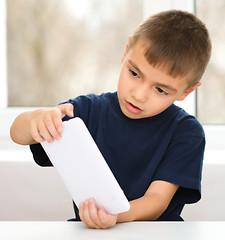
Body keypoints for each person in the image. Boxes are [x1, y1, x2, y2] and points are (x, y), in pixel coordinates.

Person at [10, 10, 211, 229]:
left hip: (156, 233)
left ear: (186, 92)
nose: (139, 95)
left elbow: (157, 201)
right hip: (92, 232)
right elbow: (17, 134)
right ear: (126, 52)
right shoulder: (88, 110)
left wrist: (116, 217)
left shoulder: (186, 132)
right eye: (134, 73)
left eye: (161, 90)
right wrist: (36, 120)